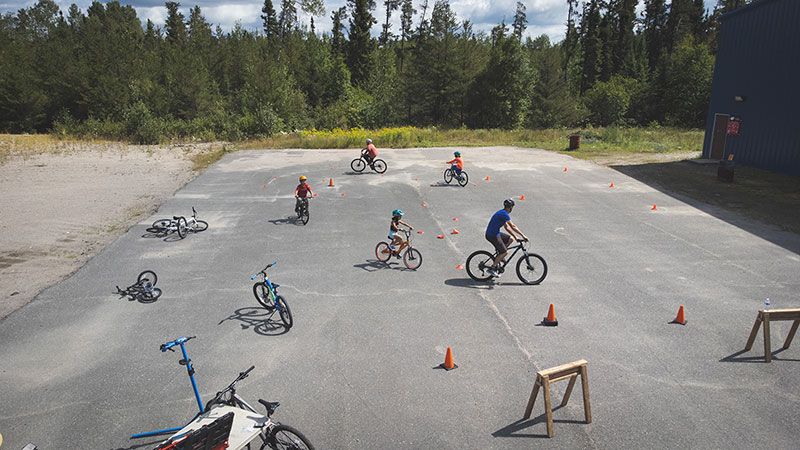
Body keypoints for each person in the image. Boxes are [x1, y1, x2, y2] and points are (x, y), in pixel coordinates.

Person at [485, 199, 528, 277]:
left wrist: (515, 237)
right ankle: (492, 268)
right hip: (492, 235)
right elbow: (513, 226)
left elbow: (507, 227)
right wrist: (523, 235)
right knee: (505, 252)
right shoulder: (504, 214)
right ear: (510, 207)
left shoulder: (502, 212)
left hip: (495, 233)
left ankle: (499, 255)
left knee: (510, 239)